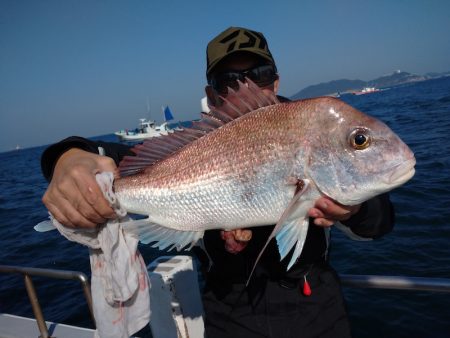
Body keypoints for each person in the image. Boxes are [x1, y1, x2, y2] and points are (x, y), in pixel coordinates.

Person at [41, 27, 395, 338]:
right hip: (230, 313)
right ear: (212, 96)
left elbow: (380, 222)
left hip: (317, 310)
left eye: (258, 72)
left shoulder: (311, 130)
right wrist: (68, 156)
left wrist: (353, 210)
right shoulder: (199, 141)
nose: (245, 85)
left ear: (275, 81)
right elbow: (108, 155)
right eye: (228, 80)